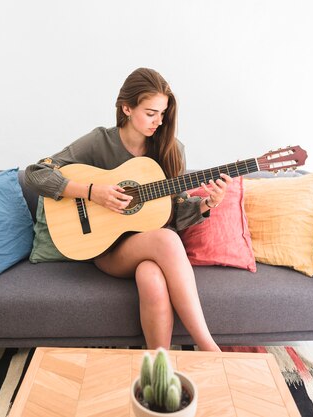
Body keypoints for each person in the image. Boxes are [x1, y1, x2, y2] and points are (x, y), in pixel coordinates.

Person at [25, 67, 232, 352]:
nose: (158, 121)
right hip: (107, 249)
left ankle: (159, 368)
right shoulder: (100, 141)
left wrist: (209, 203)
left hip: (150, 248)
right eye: (150, 113)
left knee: (152, 277)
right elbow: (36, 173)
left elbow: (176, 212)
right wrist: (92, 192)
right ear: (127, 108)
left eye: (162, 113)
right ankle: (210, 349)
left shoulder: (172, 150)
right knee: (167, 239)